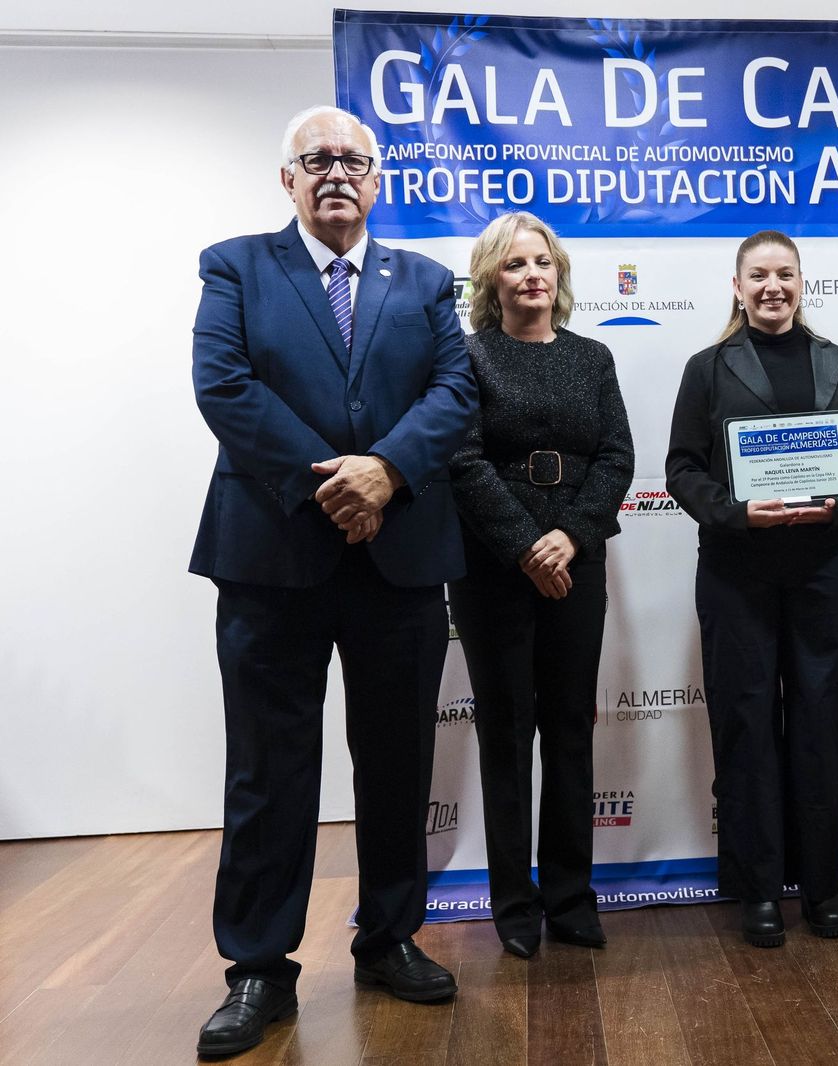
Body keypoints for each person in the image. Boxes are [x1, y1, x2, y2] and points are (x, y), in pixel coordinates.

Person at [189, 105, 477, 1056]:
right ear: (288, 180)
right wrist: (335, 483)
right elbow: (224, 387)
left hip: (397, 558)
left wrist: (386, 472)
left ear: (379, 178)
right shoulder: (236, 266)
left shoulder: (429, 282)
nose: (337, 173)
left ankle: (388, 937)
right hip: (273, 555)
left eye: (354, 160)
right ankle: (260, 969)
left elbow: (453, 395)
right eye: (317, 160)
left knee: (394, 761)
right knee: (269, 770)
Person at [665, 230, 838, 948]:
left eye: (784, 274)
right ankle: (757, 889)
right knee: (747, 726)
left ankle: (821, 888)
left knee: (821, 726)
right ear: (737, 285)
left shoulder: (834, 362)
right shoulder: (706, 368)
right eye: (758, 276)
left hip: (823, 567)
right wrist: (735, 512)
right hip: (736, 569)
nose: (772, 287)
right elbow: (682, 468)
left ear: (801, 281)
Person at [447, 212, 634, 957]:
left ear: (559, 275)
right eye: (516, 263)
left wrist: (571, 536)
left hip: (575, 564)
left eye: (543, 262)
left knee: (567, 730)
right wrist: (527, 544)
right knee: (504, 736)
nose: (532, 274)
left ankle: (569, 896)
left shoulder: (592, 357)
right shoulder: (467, 357)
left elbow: (617, 458)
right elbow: (461, 460)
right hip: (494, 569)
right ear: (493, 277)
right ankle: (513, 904)